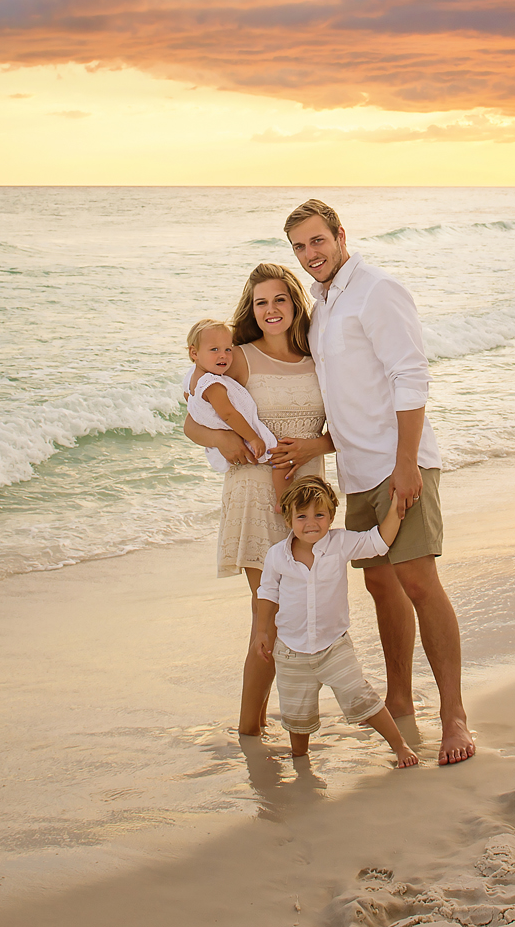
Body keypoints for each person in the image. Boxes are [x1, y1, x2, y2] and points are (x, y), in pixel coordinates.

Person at [285, 197, 475, 765]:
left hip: (399, 463)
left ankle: (454, 714)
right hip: (358, 471)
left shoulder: (376, 289)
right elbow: (346, 397)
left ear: (341, 235)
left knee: (419, 582)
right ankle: (399, 698)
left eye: (317, 241)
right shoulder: (320, 308)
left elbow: (409, 375)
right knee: (381, 587)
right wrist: (319, 446)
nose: (310, 254)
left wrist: (408, 462)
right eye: (299, 247)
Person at [183, 264, 335, 736]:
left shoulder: (321, 355)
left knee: (307, 610)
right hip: (255, 491)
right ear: (252, 309)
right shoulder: (237, 356)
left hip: (309, 496)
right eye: (261, 302)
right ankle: (252, 727)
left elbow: (349, 424)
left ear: (296, 303)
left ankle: (295, 724)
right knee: (268, 612)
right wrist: (219, 439)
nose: (271, 310)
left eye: (280, 300)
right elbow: (192, 411)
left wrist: (316, 445)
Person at [254, 477, 419, 768]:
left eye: (320, 515)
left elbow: (378, 542)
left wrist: (396, 506)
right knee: (296, 714)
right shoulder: (277, 556)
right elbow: (267, 594)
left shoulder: (340, 543)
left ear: (331, 515)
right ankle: (299, 757)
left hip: (334, 646)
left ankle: (400, 746)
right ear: (288, 517)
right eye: (301, 516)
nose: (311, 523)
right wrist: (261, 633)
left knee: (361, 696)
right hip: (291, 650)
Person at [183, 318, 273, 468]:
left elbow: (189, 399)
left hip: (223, 444)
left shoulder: (192, 377)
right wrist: (253, 438)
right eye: (214, 349)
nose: (223, 355)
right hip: (240, 437)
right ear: (194, 352)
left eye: (228, 349)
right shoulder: (212, 385)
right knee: (278, 461)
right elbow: (228, 414)